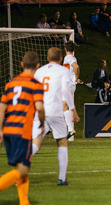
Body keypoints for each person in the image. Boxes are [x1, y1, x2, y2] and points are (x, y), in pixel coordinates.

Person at [0, 51, 44, 205]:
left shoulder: (10, 84)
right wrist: (43, 124)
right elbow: (39, 107)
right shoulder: (35, 84)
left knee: (23, 167)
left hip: (9, 129)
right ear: (37, 66)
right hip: (22, 131)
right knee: (23, 169)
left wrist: (0, 130)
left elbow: (2, 107)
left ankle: (24, 204)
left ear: (21, 64)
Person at [32, 47, 80, 186]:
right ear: (60, 59)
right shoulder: (63, 71)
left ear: (47, 58)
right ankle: (62, 178)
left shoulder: (39, 71)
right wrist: (73, 110)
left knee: (36, 142)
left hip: (40, 110)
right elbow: (65, 91)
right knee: (62, 142)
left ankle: (20, 169)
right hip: (55, 111)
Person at [62, 41, 82, 139]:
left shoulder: (68, 57)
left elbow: (76, 66)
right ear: (74, 49)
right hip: (70, 84)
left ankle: (70, 129)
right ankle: (69, 129)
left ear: (65, 49)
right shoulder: (73, 57)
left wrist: (74, 79)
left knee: (63, 106)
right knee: (63, 106)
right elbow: (75, 68)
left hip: (68, 84)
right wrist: (76, 78)